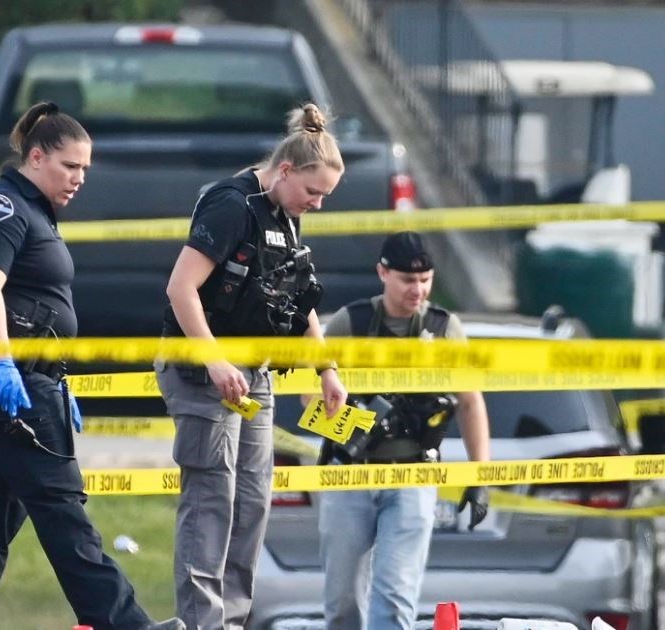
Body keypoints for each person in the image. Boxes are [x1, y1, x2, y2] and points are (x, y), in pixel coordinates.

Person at [0, 101, 183, 630]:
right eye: (71, 166)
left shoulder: (36, 211)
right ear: (36, 156)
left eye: (85, 169)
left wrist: (50, 379)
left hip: (32, 379)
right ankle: (125, 624)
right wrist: (4, 368)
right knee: (63, 509)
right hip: (5, 379)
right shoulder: (2, 208)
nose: (80, 179)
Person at [157, 103, 349, 630]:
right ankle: (203, 623)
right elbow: (181, 289)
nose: (317, 205)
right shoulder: (231, 205)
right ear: (285, 171)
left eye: (324, 197)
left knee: (252, 502)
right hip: (202, 370)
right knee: (211, 498)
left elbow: (299, 299)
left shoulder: (287, 219)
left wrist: (325, 369)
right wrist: (213, 359)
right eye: (313, 192)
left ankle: (233, 620)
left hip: (255, 373)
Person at [317, 231, 491, 630]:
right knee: (342, 602)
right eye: (408, 280)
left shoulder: (444, 328)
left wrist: (480, 476)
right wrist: (358, 422)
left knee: (395, 596)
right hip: (350, 473)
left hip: (414, 473)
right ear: (382, 272)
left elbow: (469, 401)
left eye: (426, 280)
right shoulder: (352, 322)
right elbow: (310, 395)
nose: (419, 289)